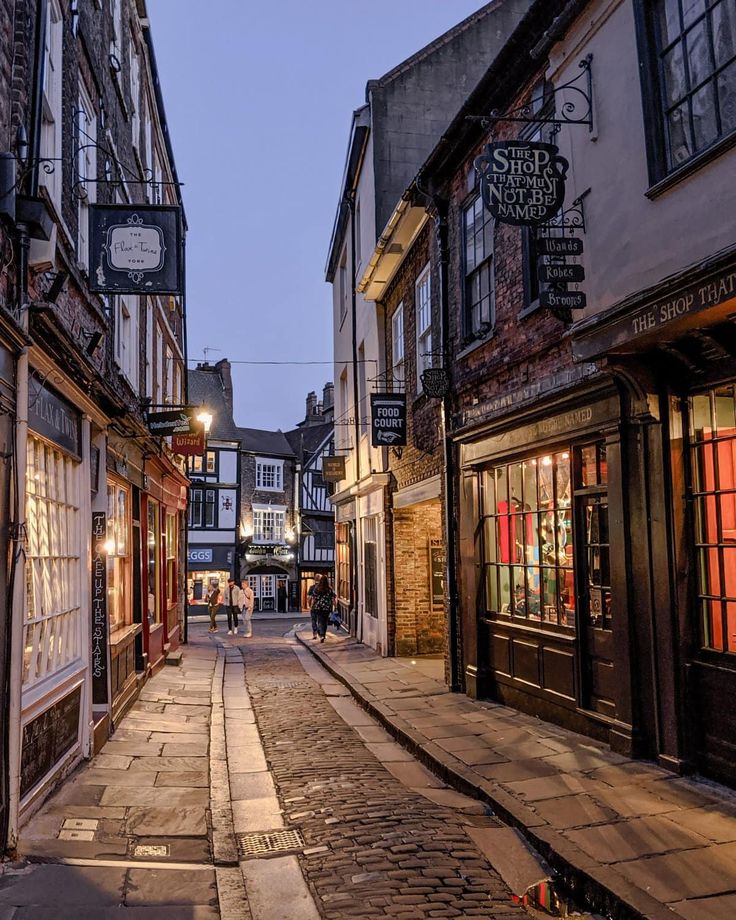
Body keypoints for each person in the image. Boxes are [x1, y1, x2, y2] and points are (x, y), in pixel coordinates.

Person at [310, 575, 336, 643]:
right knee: (325, 622)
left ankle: (320, 633)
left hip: (318, 607)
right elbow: (333, 598)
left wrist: (312, 606)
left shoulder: (317, 588)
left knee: (320, 621)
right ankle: (323, 635)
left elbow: (314, 598)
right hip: (327, 607)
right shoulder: (329, 589)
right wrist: (335, 607)